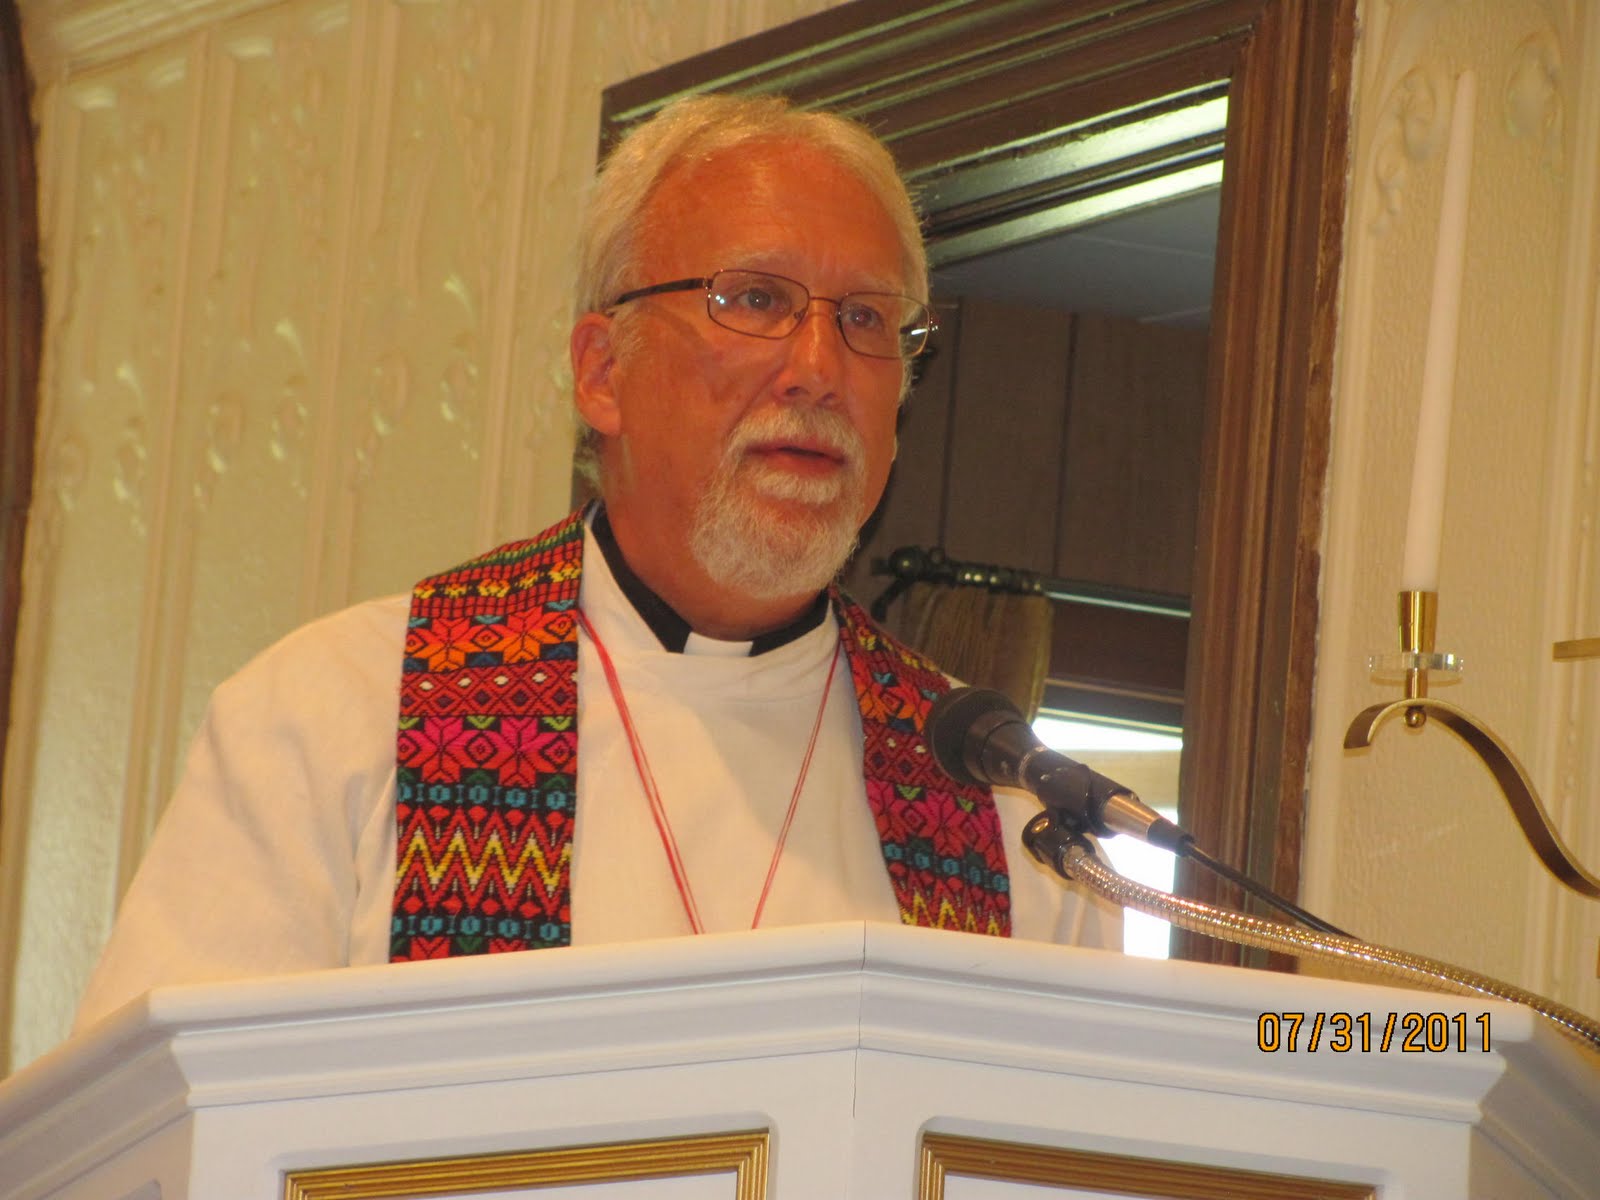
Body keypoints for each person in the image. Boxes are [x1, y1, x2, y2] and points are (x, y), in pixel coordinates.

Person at [73, 94, 1119, 1032]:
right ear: (603, 372)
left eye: (864, 319)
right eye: (755, 300)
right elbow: (165, 1131)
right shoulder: (338, 717)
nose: (818, 368)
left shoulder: (997, 807)